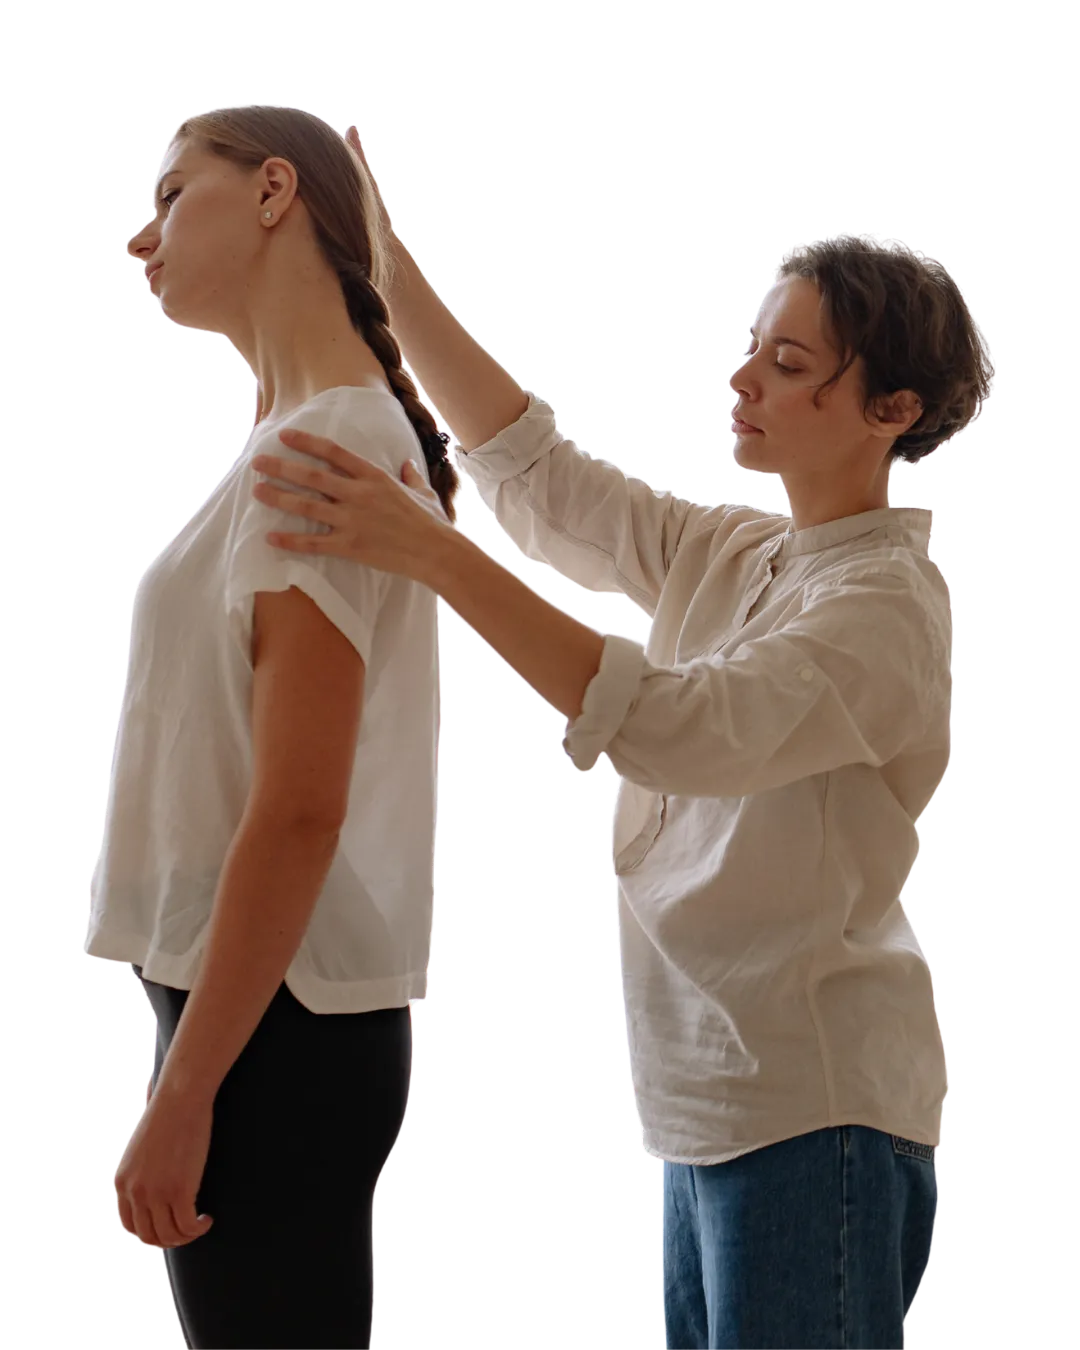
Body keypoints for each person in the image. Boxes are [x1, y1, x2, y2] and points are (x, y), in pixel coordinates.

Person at [102, 104, 994, 1348]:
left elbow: (682, 727)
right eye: (752, 348)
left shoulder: (884, 608)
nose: (743, 379)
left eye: (791, 365)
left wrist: (434, 552)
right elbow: (543, 477)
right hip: (704, 1107)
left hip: (818, 1108)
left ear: (892, 409)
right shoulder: (741, 553)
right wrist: (388, 265)